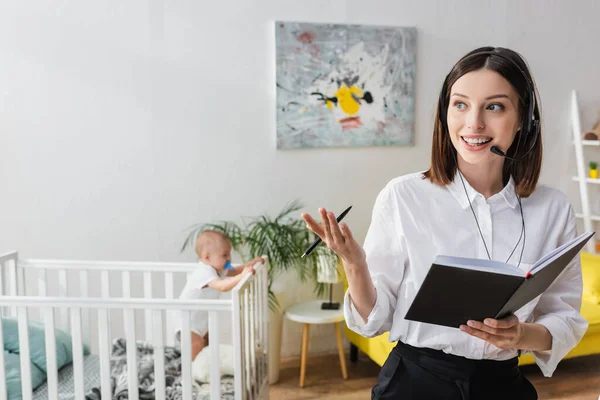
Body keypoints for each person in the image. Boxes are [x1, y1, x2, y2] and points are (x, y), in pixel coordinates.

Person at [301, 46, 588, 399]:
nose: (474, 123)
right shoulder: (403, 195)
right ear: (445, 113)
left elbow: (565, 317)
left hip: (503, 385)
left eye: (494, 106)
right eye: (461, 104)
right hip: (416, 382)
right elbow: (374, 320)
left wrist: (520, 335)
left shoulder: (553, 209)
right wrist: (355, 265)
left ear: (524, 120)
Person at [174, 230, 264, 359]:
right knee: (196, 345)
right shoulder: (204, 271)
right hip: (187, 322)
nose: (229, 258)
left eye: (229, 254)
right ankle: (189, 374)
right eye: (225, 255)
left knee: (206, 345)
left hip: (199, 322)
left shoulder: (218, 268)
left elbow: (234, 270)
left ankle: (203, 370)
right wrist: (242, 276)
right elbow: (222, 286)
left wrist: (249, 266)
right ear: (207, 257)